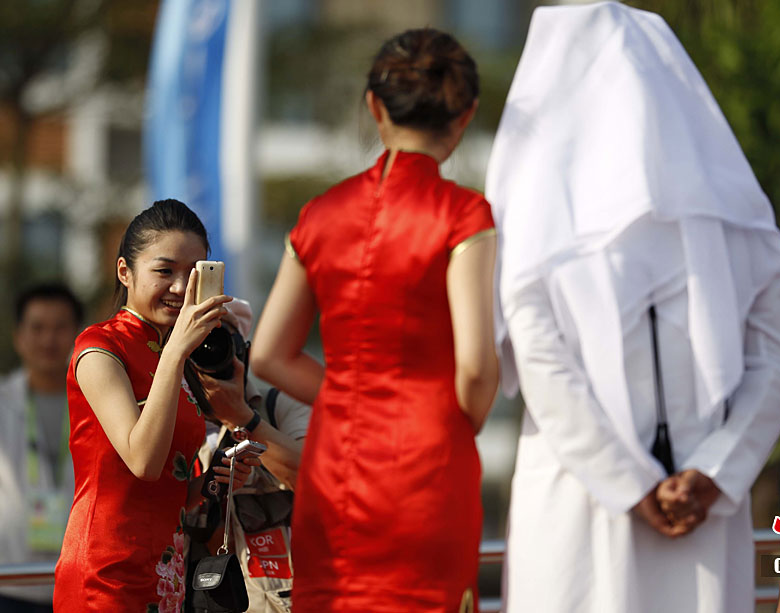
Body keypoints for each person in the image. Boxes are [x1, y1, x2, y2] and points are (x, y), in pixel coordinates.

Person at [486, 4, 780, 612]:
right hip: (701, 511)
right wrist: (713, 475)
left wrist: (630, 484)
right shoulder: (743, 219)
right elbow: (778, 364)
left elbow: (542, 367)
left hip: (582, 498)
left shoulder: (535, 227)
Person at [251, 27, 499, 612]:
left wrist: (349, 397)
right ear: (465, 116)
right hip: (427, 463)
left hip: (334, 462)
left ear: (375, 107)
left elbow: (268, 355)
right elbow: (476, 368)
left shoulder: (319, 214)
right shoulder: (463, 213)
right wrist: (446, 420)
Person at [52, 199, 250, 611]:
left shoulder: (175, 355)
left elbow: (167, 487)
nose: (180, 288)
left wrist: (217, 478)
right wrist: (177, 351)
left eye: (193, 274)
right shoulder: (100, 347)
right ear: (124, 272)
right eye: (164, 271)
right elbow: (142, 461)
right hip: (105, 576)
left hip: (165, 571)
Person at [186, 299, 311, 613]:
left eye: (220, 340)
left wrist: (242, 418)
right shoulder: (168, 426)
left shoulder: (279, 407)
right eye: (198, 344)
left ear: (244, 352)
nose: (209, 350)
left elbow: (318, 481)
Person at [0, 284, 82, 611]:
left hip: (77, 583)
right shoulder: (3, 401)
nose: (49, 340)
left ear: (77, 334)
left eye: (60, 328)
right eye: (37, 328)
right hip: (10, 582)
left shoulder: (98, 403)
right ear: (18, 336)